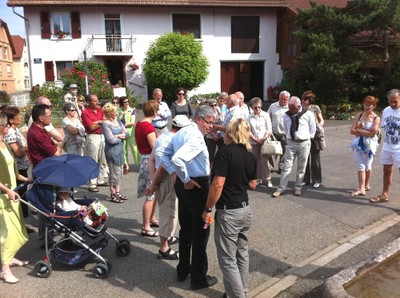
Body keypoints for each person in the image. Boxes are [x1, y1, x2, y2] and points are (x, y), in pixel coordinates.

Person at [158, 105, 218, 290]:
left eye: (213, 123)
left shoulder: (181, 133)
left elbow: (163, 154)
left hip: (187, 186)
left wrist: (175, 173)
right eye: (209, 123)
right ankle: (198, 277)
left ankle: (183, 269)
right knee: (201, 231)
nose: (211, 126)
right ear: (199, 119)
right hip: (196, 185)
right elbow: (176, 159)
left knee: (186, 229)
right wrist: (183, 177)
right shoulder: (195, 137)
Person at [202, 118, 257, 298]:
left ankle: (237, 295)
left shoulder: (224, 153)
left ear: (231, 134)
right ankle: (242, 291)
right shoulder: (250, 155)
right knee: (242, 254)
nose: (223, 135)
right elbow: (253, 184)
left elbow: (217, 184)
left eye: (226, 132)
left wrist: (208, 209)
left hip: (229, 212)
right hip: (244, 209)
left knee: (228, 259)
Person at [147, 115, 191, 260]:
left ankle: (169, 236)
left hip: (160, 179)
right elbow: (164, 167)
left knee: (167, 208)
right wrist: (155, 183)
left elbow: (152, 160)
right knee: (169, 211)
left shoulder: (161, 137)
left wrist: (154, 181)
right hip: (166, 179)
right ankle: (164, 247)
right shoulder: (173, 141)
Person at [0, 114, 30, 284]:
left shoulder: (4, 144)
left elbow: (13, 170)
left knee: (16, 228)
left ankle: (9, 257)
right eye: (5, 126)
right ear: (2, 127)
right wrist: (8, 191)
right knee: (7, 232)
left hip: (12, 192)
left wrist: (26, 180)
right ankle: (4, 270)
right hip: (3, 196)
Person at [272, 96, 316, 197]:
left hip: (304, 143)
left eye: (292, 108)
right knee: (286, 167)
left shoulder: (308, 114)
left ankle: (298, 187)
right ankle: (281, 188)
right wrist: (290, 139)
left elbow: (312, 129)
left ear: (299, 105)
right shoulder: (286, 115)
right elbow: (286, 128)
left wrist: (306, 139)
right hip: (291, 143)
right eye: (289, 108)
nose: (290, 110)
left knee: (302, 167)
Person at [370, 89, 400, 203]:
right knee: (387, 170)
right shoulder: (386, 111)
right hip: (387, 146)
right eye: (390, 101)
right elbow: (384, 128)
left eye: (395, 101)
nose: (392, 104)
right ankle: (384, 194)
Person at [2, 106, 31, 223]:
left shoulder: (15, 130)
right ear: (11, 120)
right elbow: (18, 153)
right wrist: (26, 148)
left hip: (22, 167)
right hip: (17, 169)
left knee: (23, 195)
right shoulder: (9, 133)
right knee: (20, 196)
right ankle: (21, 221)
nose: (20, 117)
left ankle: (22, 221)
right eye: (17, 116)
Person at [135, 100, 159, 237]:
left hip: (144, 158)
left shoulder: (140, 123)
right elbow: (155, 147)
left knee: (153, 193)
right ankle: (145, 227)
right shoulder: (148, 127)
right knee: (150, 195)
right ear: (154, 111)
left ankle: (152, 218)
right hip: (149, 160)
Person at [349, 96, 380, 197]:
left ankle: (366, 185)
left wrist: (360, 131)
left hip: (370, 145)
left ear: (374, 106)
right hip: (358, 143)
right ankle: (361, 188)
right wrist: (365, 132)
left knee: (368, 166)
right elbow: (351, 131)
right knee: (360, 165)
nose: (367, 107)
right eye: (365, 104)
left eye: (369, 105)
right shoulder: (359, 115)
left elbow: (373, 134)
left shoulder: (376, 118)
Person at [81, 94, 108, 193]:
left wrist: (98, 122)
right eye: (94, 101)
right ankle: (92, 183)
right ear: (88, 102)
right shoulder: (85, 113)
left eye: (97, 100)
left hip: (102, 135)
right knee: (93, 160)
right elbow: (91, 127)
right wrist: (101, 122)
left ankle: (100, 179)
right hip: (92, 136)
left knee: (103, 159)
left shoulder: (100, 109)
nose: (97, 102)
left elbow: (105, 120)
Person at [102, 103, 128, 203]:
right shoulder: (106, 124)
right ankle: (113, 194)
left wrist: (117, 136)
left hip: (120, 150)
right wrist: (120, 136)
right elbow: (110, 140)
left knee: (120, 172)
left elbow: (127, 134)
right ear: (109, 113)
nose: (116, 112)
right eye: (114, 111)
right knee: (114, 173)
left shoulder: (118, 122)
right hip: (112, 151)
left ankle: (118, 192)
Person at [248, 97, 274, 187]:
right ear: (251, 107)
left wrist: (263, 138)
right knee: (256, 161)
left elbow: (269, 128)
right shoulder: (249, 116)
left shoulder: (265, 115)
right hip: (253, 141)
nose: (257, 109)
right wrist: (254, 139)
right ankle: (258, 178)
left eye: (259, 107)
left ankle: (268, 179)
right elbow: (248, 130)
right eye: (255, 107)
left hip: (264, 141)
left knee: (264, 161)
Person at [301, 91, 324, 188]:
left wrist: (318, 126)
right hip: (303, 135)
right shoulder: (300, 108)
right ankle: (306, 179)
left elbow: (321, 119)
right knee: (304, 158)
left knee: (315, 159)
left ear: (310, 100)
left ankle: (316, 179)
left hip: (314, 136)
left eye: (305, 99)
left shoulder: (315, 108)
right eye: (302, 98)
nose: (303, 100)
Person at [267, 90, 290, 173]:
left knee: (285, 151)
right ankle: (271, 167)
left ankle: (281, 166)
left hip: (285, 133)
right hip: (274, 132)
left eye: (285, 99)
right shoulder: (273, 106)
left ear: (288, 99)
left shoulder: (290, 107)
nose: (283, 101)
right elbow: (267, 116)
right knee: (272, 151)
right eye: (281, 99)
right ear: (279, 98)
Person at [118, 96, 139, 174]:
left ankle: (139, 164)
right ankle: (126, 166)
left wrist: (123, 125)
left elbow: (132, 122)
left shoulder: (132, 110)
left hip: (130, 133)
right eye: (125, 102)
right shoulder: (118, 111)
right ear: (121, 103)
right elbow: (117, 121)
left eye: (127, 102)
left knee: (134, 149)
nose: (127, 103)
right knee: (124, 150)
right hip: (122, 133)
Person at [205, 98, 224, 167]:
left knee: (222, 153)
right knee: (210, 156)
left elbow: (223, 123)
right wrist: (213, 134)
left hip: (220, 135)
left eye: (215, 105)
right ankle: (210, 171)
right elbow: (206, 126)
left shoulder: (219, 112)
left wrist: (219, 113)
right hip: (210, 135)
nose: (214, 107)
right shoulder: (206, 114)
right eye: (211, 105)